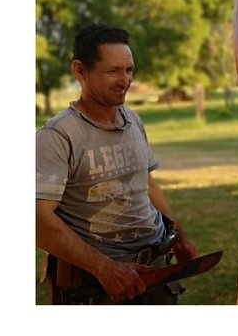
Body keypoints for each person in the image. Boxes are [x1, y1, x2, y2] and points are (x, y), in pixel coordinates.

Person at [36, 23, 198, 304]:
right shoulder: (58, 136)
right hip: (97, 285)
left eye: (129, 70)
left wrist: (179, 235)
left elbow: (144, 183)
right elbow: (36, 219)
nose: (124, 80)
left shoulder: (133, 120)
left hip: (156, 269)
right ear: (79, 71)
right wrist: (105, 269)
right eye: (112, 71)